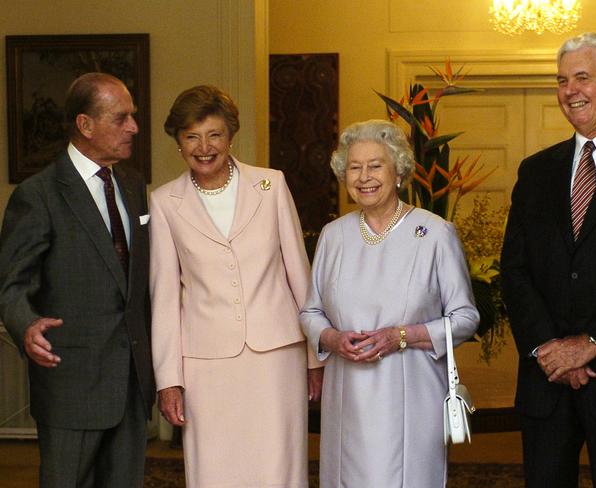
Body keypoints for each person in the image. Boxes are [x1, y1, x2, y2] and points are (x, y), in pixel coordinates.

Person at [150, 85, 323, 487]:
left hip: (276, 357)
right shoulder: (164, 203)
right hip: (205, 364)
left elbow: (300, 275)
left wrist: (316, 357)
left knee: (278, 465)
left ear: (230, 135)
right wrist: (168, 380)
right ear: (178, 142)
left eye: (214, 134)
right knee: (214, 468)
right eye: (192, 136)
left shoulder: (271, 185)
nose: (204, 147)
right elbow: (163, 299)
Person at [501, 32, 596, 488]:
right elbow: (515, 269)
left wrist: (592, 341)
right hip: (545, 382)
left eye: (582, 77)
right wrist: (549, 348)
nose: (569, 91)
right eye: (562, 80)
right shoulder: (535, 169)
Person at [300, 119, 479, 487]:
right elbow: (311, 311)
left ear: (398, 172)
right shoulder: (334, 236)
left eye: (375, 165)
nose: (364, 176)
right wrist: (331, 339)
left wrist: (403, 335)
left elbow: (465, 317)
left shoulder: (434, 234)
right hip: (347, 394)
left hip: (413, 394)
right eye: (354, 167)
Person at [0, 72, 154, 486]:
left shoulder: (134, 184)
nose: (134, 127)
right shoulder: (39, 195)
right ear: (85, 125)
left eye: (133, 117)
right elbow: (11, 284)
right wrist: (25, 324)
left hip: (132, 383)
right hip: (71, 386)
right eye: (121, 118)